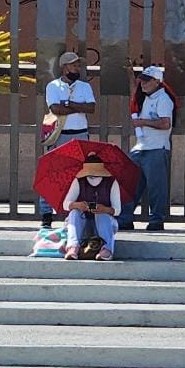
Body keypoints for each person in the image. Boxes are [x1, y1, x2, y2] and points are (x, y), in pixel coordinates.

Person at [40, 51, 95, 228]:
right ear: (64, 68)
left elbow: (91, 108)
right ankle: (46, 213)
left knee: (80, 175)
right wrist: (77, 107)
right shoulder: (53, 86)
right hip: (61, 135)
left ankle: (78, 213)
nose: (76, 68)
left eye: (78, 65)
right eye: (73, 65)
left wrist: (68, 104)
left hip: (80, 133)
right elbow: (56, 109)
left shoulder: (85, 87)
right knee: (53, 173)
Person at [118, 65, 175, 231]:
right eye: (142, 80)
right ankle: (125, 218)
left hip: (157, 147)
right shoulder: (145, 97)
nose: (143, 84)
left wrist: (143, 122)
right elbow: (134, 91)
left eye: (147, 81)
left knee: (157, 187)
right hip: (141, 147)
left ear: (157, 82)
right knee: (130, 184)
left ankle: (156, 220)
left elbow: (165, 124)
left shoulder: (163, 99)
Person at [63, 153, 122, 261]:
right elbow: (66, 204)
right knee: (74, 212)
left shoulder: (112, 183)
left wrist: (105, 209)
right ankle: (73, 247)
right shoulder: (79, 181)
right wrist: (77, 205)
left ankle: (107, 249)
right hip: (82, 225)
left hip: (105, 225)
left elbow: (117, 210)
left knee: (102, 215)